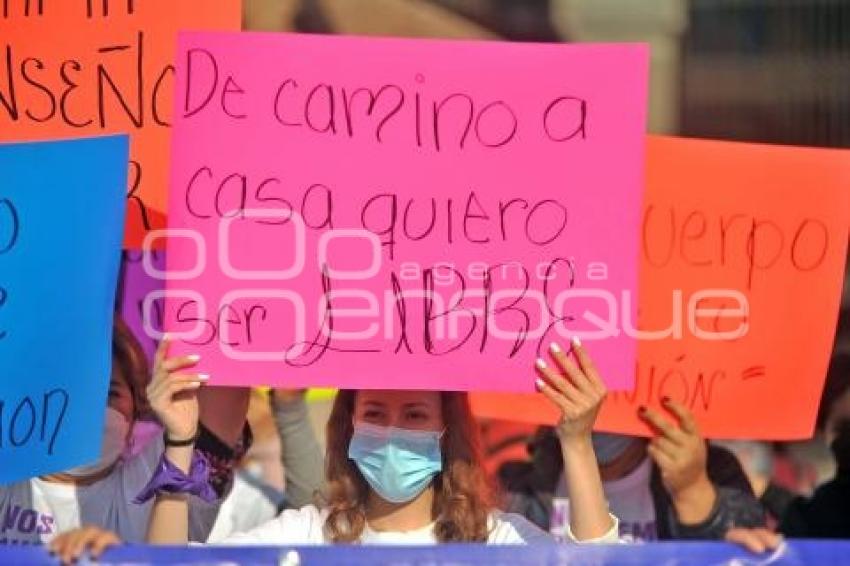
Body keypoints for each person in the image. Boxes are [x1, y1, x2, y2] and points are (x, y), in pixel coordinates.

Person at [50, 338, 620, 562]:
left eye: (416, 415)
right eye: (375, 413)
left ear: (448, 433)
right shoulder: (305, 536)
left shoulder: (495, 543)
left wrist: (575, 440)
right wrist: (178, 438)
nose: (393, 429)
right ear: (348, 426)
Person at [0, 318, 250, 546]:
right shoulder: (7, 483)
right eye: (73, 391)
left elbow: (227, 389)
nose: (90, 408)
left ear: (137, 410)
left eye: (110, 393)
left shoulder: (160, 472)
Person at [500, 393, 768, 544]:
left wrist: (692, 489)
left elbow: (745, 552)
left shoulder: (714, 472)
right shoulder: (518, 489)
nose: (592, 409)